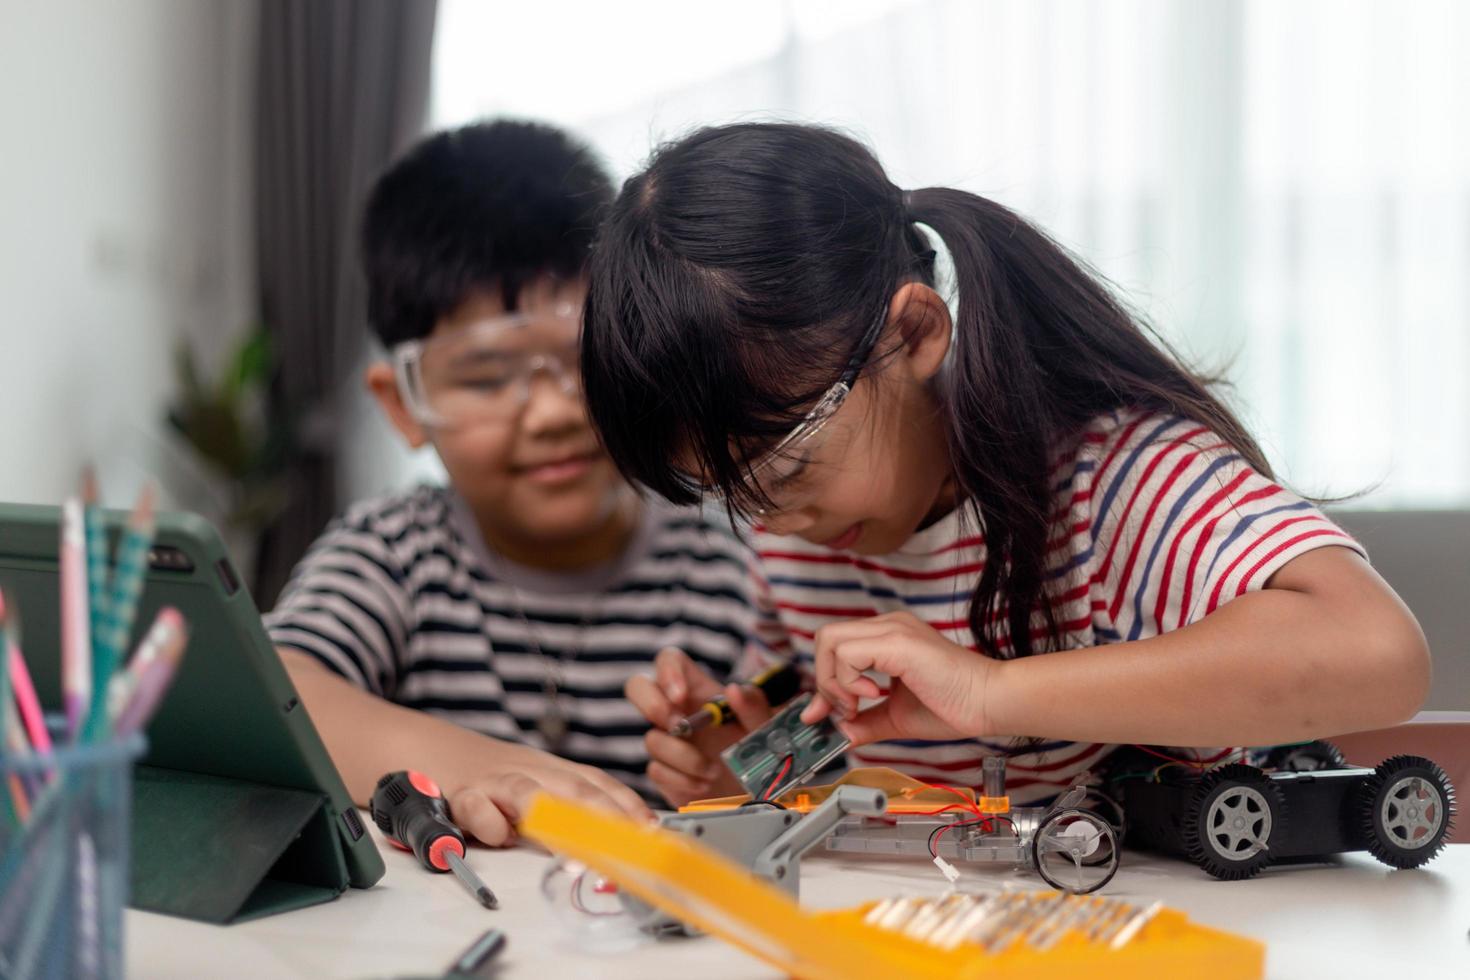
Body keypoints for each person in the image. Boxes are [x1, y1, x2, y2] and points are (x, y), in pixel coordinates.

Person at [580, 122, 1430, 807]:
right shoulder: (802, 539)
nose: (768, 523)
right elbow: (867, 767)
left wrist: (991, 692)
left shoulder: (1115, 480)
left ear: (912, 334)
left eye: (789, 470)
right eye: (731, 495)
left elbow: (1379, 653)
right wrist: (747, 766)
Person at [266, 120, 760, 841]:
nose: (555, 413)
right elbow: (281, 697)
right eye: (489, 375)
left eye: (585, 358)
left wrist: (733, 778)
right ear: (404, 404)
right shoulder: (395, 553)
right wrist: (477, 767)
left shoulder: (729, 566)